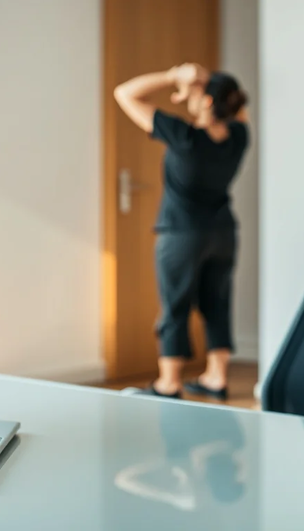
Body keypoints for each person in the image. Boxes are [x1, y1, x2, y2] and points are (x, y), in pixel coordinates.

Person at [114, 63, 249, 399]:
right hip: (223, 233)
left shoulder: (184, 135)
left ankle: (169, 383)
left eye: (200, 93)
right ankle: (216, 377)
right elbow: (236, 105)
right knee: (217, 303)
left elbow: (124, 94)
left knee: (175, 305)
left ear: (206, 102)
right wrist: (206, 88)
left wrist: (175, 76)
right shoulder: (238, 136)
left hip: (182, 234)